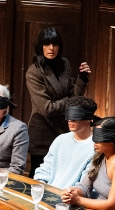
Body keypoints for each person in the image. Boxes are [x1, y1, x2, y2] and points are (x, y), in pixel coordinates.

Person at [25, 27, 91, 177]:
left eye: (55, 44)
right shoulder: (33, 72)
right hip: (42, 132)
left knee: (61, 175)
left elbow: (73, 94)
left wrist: (82, 78)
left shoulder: (65, 64)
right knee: (40, 176)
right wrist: (70, 101)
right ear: (40, 46)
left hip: (63, 130)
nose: (51, 48)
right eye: (47, 44)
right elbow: (47, 108)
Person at [61, 117, 115, 210]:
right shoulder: (99, 157)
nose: (95, 142)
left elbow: (112, 205)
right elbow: (85, 186)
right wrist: (73, 192)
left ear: (112, 140)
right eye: (95, 137)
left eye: (99, 138)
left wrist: (78, 200)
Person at [34, 96, 97, 188]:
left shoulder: (96, 146)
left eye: (76, 116)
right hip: (47, 191)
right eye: (68, 116)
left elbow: (86, 183)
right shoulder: (60, 140)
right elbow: (45, 168)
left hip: (72, 197)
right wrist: (40, 184)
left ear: (88, 118)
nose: (70, 120)